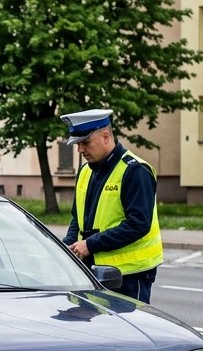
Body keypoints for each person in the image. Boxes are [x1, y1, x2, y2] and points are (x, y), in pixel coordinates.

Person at [60, 109, 164, 303]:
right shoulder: (85, 171)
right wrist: (69, 245)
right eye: (77, 144)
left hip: (130, 276)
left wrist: (90, 244)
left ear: (106, 136)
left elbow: (138, 224)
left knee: (128, 333)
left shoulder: (135, 171)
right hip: (92, 273)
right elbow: (77, 218)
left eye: (85, 143)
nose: (80, 150)